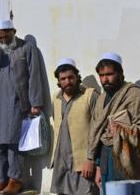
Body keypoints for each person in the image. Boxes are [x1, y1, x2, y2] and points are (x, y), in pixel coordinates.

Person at [87, 52, 140, 193]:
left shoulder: (134, 95)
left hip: (129, 160)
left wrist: (123, 130)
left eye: (109, 74)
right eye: (102, 75)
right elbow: (98, 134)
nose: (105, 79)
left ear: (120, 73)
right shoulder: (101, 100)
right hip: (106, 159)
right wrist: (98, 166)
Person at [0, 19, 50, 195]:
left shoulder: (26, 48)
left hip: (19, 103)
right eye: (0, 37)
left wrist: (36, 103)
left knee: (14, 143)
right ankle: (1, 180)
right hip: (0, 103)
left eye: (6, 35)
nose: (3, 40)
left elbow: (34, 76)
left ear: (13, 31)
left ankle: (15, 180)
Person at [50, 58, 99, 195]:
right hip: (62, 163)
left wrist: (91, 159)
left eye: (71, 77)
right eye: (63, 79)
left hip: (83, 162)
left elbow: (99, 130)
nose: (67, 82)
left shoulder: (90, 95)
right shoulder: (56, 98)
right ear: (59, 81)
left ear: (77, 77)